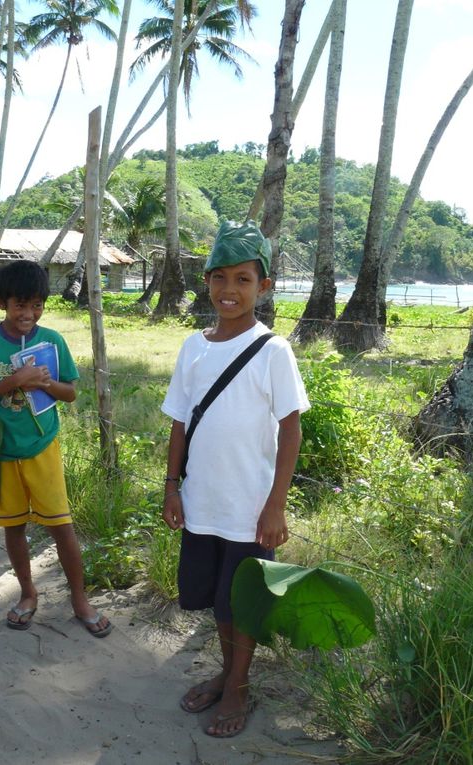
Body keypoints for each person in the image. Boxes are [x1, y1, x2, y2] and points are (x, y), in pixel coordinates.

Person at [161, 221, 309, 738]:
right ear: (206, 281)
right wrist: (172, 485)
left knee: (241, 602)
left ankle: (239, 687)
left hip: (250, 509)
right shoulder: (193, 348)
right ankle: (228, 671)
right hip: (203, 501)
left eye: (243, 279)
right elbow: (180, 420)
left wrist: (275, 505)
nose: (230, 290)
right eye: (220, 277)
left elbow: (290, 431)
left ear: (263, 287)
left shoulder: (274, 352)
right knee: (215, 599)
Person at [0, 260, 112, 637]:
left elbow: (71, 392)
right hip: (2, 450)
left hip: (43, 448)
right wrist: (14, 381)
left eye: (36, 305)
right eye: (19, 305)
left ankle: (80, 600)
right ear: (1, 303)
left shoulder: (53, 342)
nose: (28, 314)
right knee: (13, 527)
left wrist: (43, 383)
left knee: (62, 526)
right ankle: (28, 594)